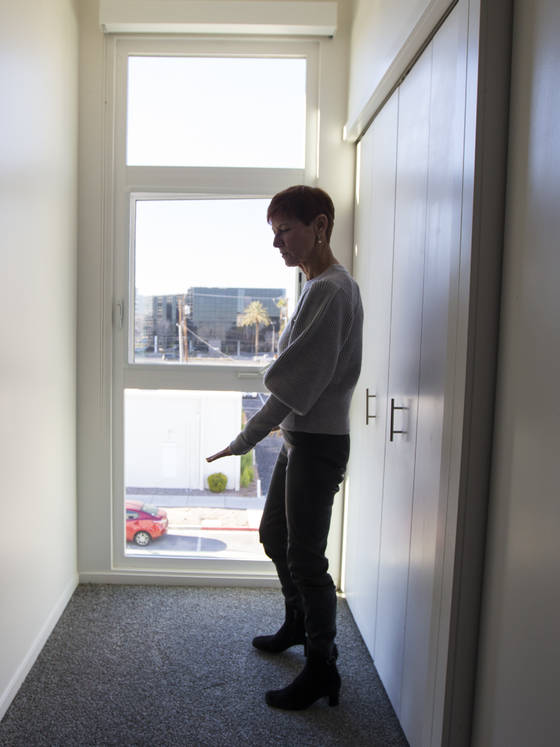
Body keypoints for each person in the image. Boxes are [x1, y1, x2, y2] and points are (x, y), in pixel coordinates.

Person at [206, 185, 363, 710]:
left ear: (319, 226)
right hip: (302, 440)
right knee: (275, 533)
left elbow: (292, 387)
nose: (277, 245)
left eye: (284, 231)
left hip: (318, 445)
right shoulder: (315, 286)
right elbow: (292, 386)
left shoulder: (331, 291)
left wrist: (242, 442)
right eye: (273, 234)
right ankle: (297, 623)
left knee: (307, 558)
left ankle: (323, 667)